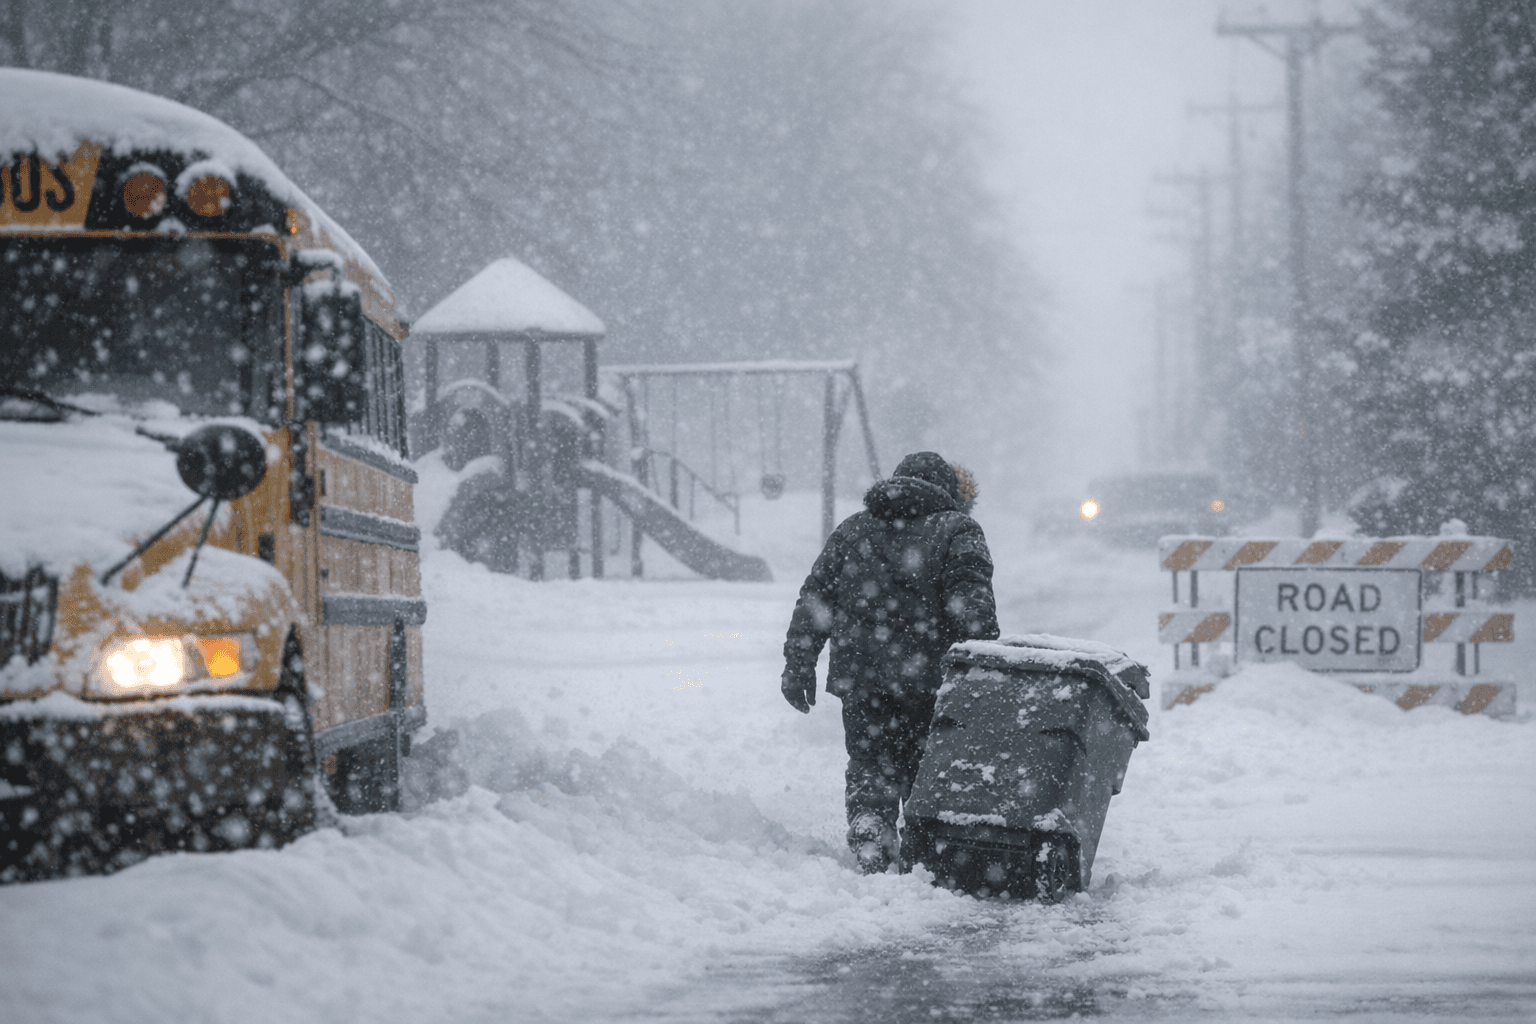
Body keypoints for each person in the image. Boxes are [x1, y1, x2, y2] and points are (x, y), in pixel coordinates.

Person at [780, 452, 999, 873]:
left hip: (861, 677)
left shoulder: (853, 530)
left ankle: (870, 827)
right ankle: (923, 848)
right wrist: (983, 669)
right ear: (949, 491)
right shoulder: (958, 529)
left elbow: (815, 600)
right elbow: (974, 609)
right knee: (927, 765)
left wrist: (799, 663)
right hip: (931, 679)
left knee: (870, 760)